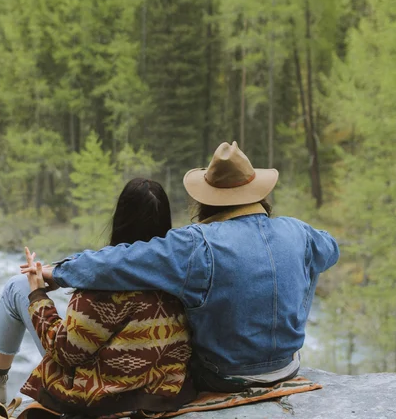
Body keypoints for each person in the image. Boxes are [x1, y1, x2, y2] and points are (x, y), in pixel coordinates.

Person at [27, 142, 339, 393]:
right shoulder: (298, 231)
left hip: (224, 375)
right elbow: (330, 249)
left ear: (209, 200)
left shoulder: (198, 244)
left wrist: (57, 272)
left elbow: (120, 261)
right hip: (287, 366)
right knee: (303, 264)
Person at [0, 178, 194, 419]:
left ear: (119, 219)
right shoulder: (179, 269)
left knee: (17, 286)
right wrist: (62, 275)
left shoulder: (102, 284)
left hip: (104, 396)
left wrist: (37, 293)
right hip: (162, 388)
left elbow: (66, 352)